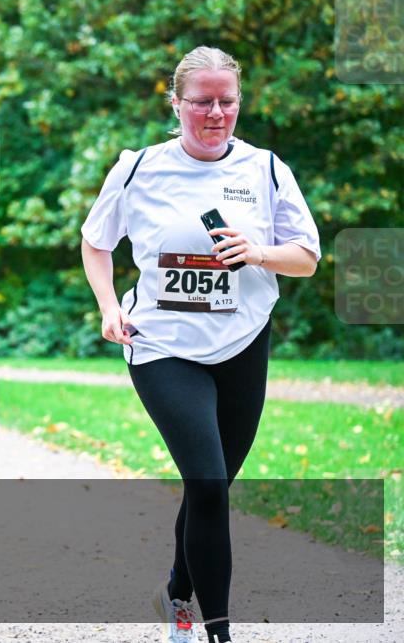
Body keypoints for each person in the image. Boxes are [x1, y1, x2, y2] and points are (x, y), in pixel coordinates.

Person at [80, 47, 320, 643]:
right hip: (162, 344)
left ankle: (175, 592)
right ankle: (216, 631)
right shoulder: (139, 168)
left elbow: (308, 257)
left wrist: (258, 252)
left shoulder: (265, 169)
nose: (215, 113)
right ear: (177, 104)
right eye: (202, 102)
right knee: (208, 482)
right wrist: (111, 308)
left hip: (242, 342)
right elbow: (95, 242)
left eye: (227, 102)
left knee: (210, 486)